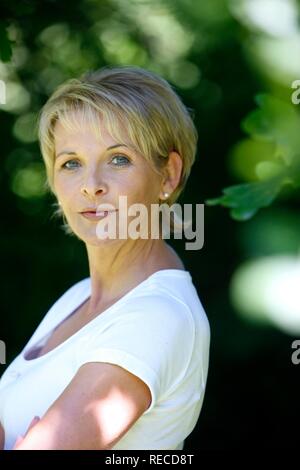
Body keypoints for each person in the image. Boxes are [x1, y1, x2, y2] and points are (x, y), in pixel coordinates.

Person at [0, 65, 210, 450]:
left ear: (168, 175)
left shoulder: (156, 317)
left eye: (118, 159)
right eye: (71, 163)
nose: (91, 186)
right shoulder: (79, 296)